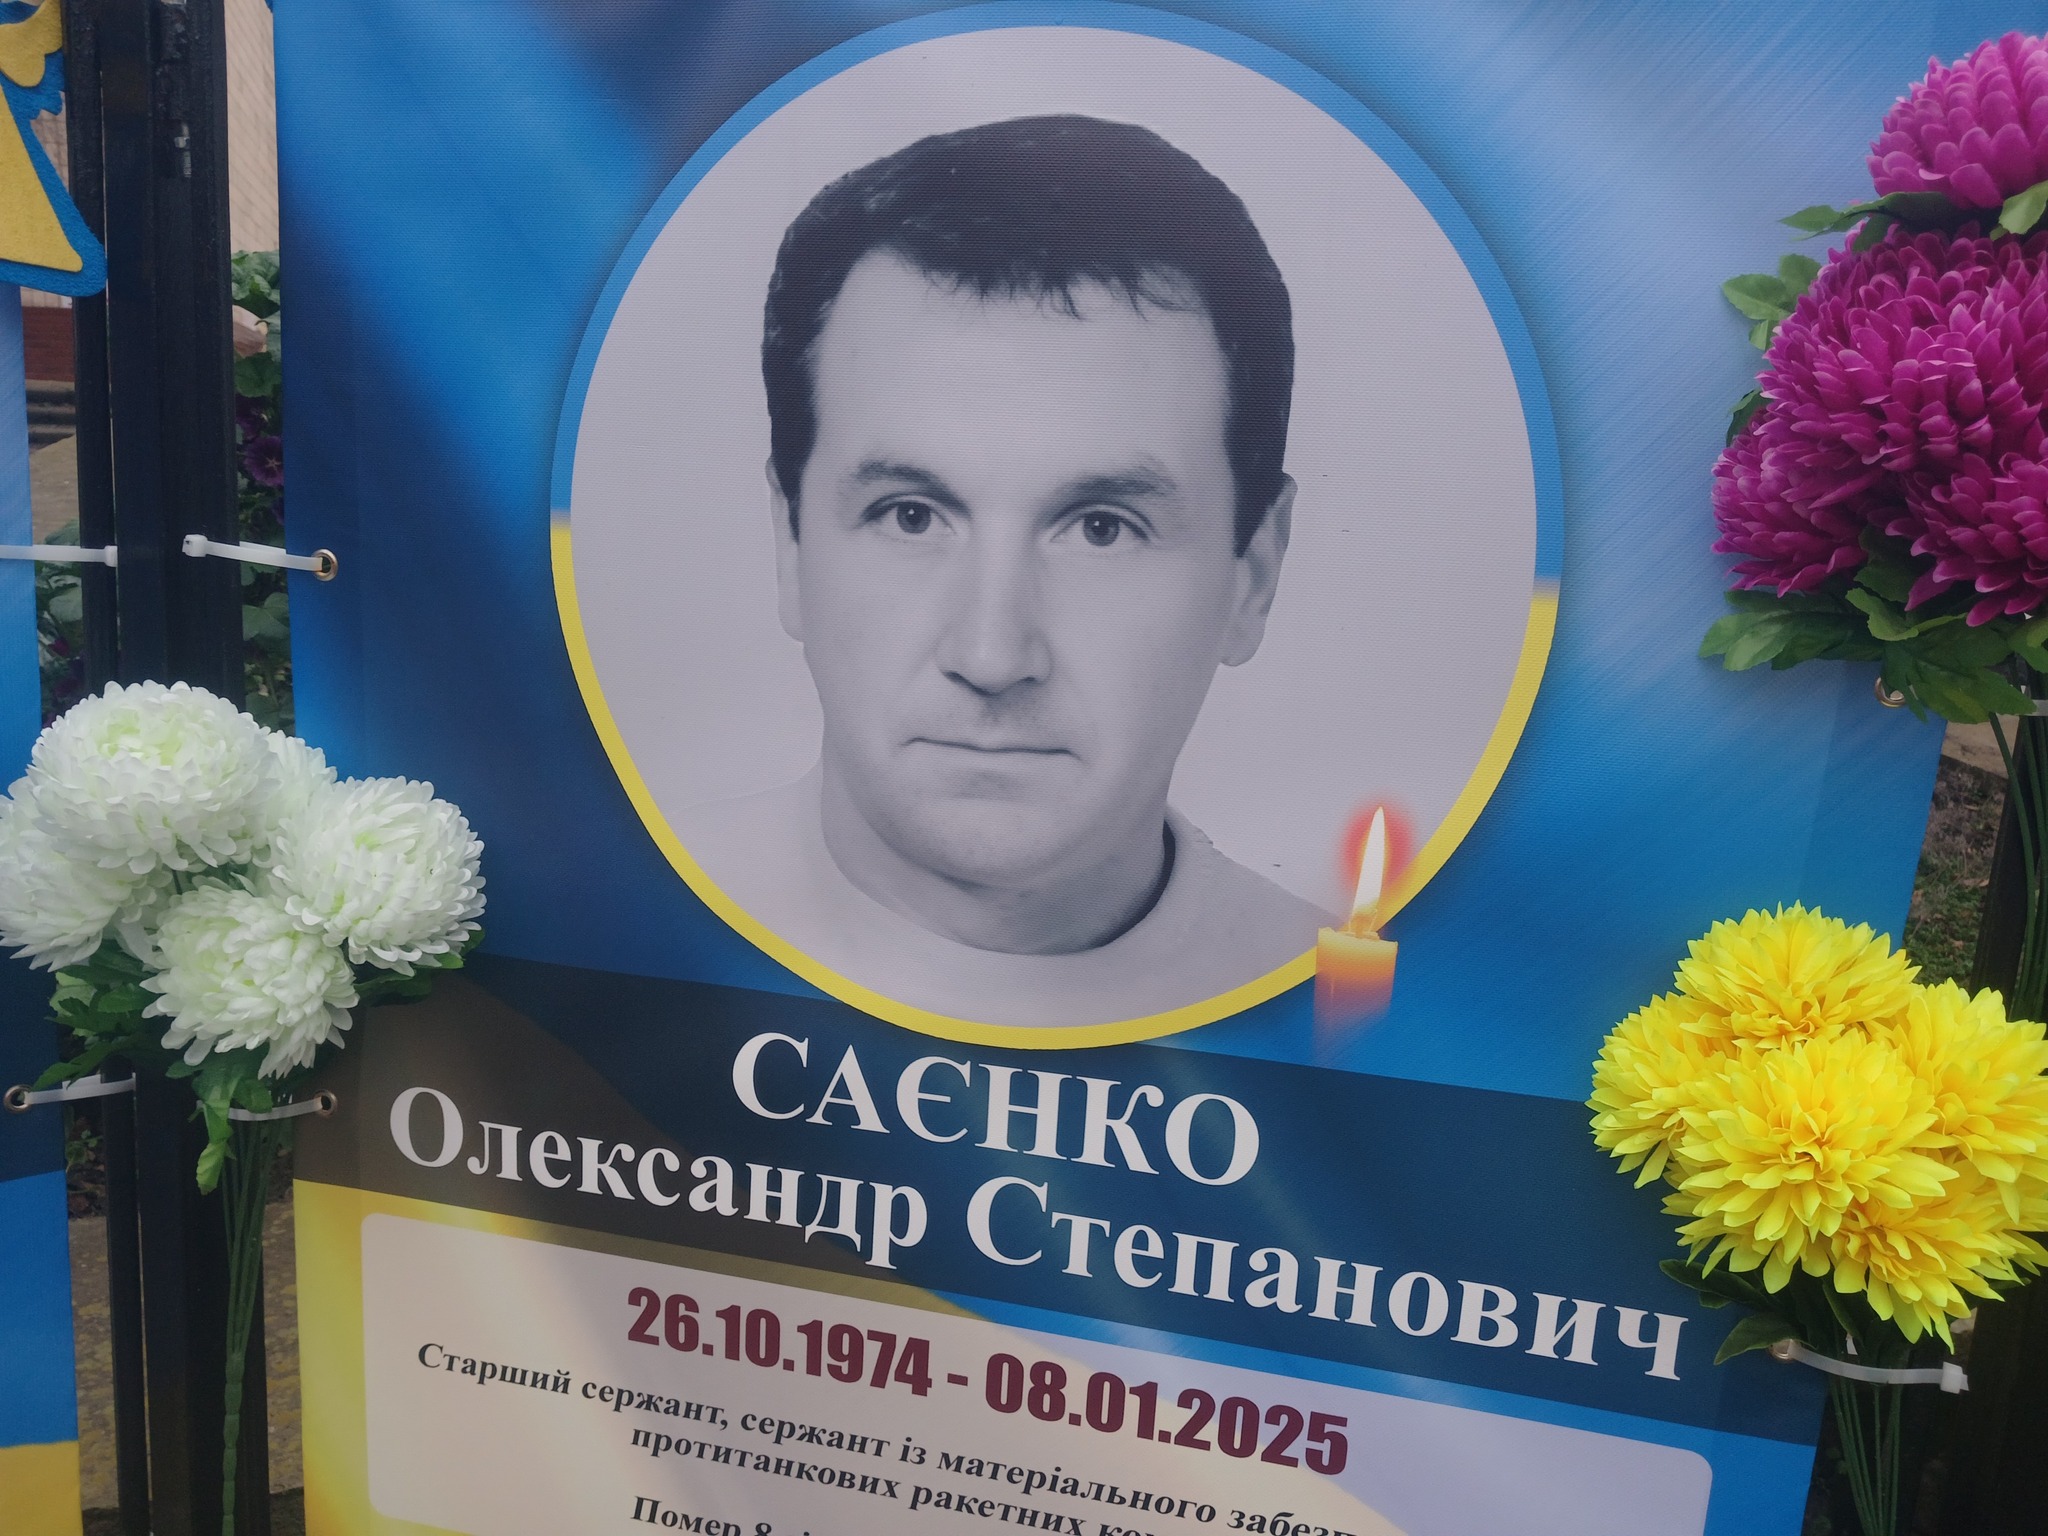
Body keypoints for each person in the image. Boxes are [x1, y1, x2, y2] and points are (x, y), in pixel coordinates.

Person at [678, 114, 1333, 1027]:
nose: (991, 656)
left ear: (1253, 576)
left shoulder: (1370, 1034)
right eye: (911, 516)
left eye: (1101, 529)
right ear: (790, 544)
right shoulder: (582, 943)